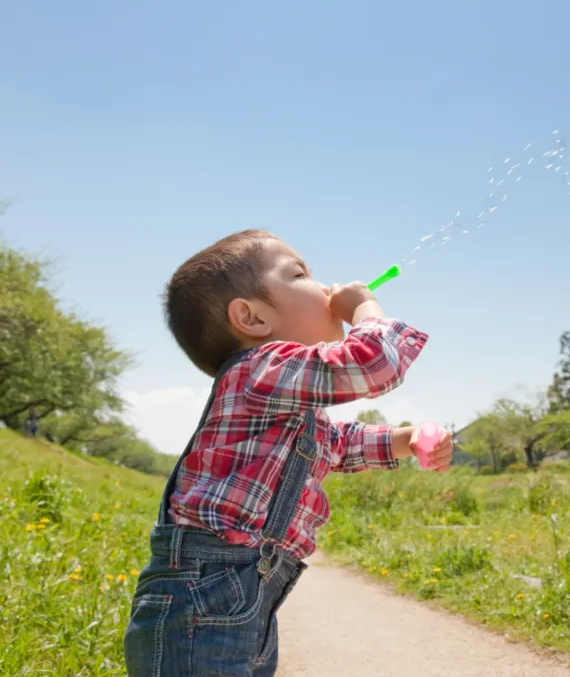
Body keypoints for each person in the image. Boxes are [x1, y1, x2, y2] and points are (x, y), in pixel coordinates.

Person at [123, 229, 453, 676]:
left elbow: (334, 444)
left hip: (243, 592)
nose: (324, 288)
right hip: (203, 592)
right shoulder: (257, 370)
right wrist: (363, 306)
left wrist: (405, 439)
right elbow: (373, 361)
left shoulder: (283, 401)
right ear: (252, 318)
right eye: (301, 274)